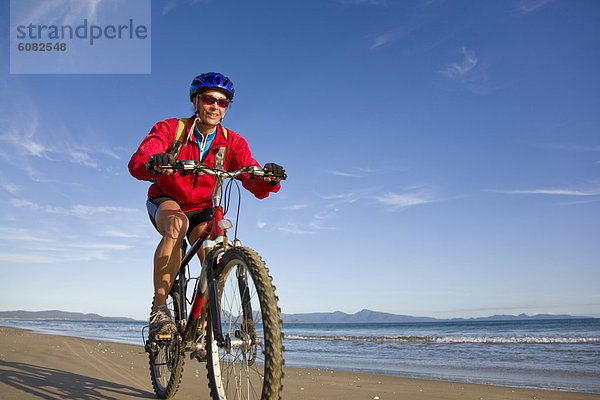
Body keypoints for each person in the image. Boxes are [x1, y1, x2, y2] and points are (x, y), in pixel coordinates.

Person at [128, 72, 285, 338]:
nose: (215, 106)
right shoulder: (170, 129)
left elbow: (250, 175)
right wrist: (154, 161)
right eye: (209, 99)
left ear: (226, 108)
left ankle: (203, 325)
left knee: (217, 255)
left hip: (205, 207)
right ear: (196, 101)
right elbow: (138, 162)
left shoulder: (233, 142)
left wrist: (268, 179)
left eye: (222, 102)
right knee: (177, 224)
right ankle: (160, 308)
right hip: (168, 199)